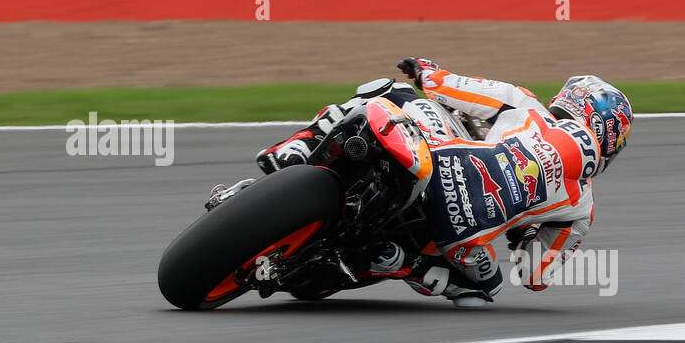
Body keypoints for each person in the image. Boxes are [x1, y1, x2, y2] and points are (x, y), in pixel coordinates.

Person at [232, 61, 633, 307]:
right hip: (457, 239)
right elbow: (532, 275)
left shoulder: (527, 105)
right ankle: (402, 263)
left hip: (436, 164)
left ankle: (297, 150)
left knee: (389, 91)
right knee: (486, 285)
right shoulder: (582, 208)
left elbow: (445, 86)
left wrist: (424, 70)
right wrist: (525, 231)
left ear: (569, 100)